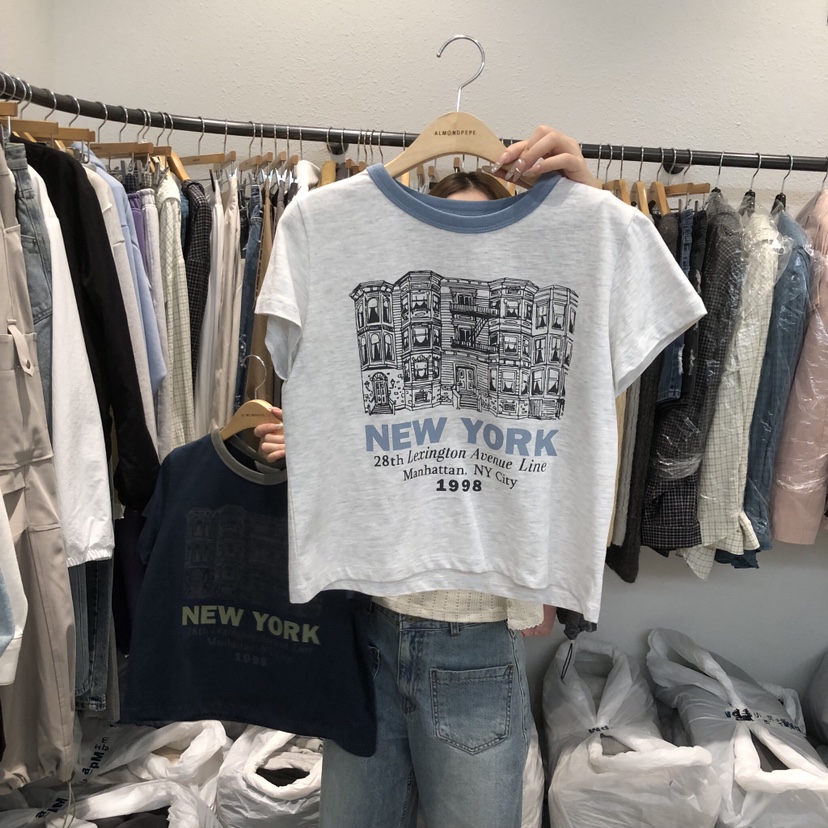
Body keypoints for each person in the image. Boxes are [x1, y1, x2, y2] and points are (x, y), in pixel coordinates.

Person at [254, 126, 599, 827]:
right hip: (364, 629)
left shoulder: (563, 276)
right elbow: (342, 395)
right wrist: (322, 446)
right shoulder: (332, 234)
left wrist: (584, 209)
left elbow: (588, 352)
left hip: (477, 643)